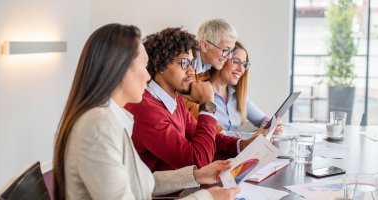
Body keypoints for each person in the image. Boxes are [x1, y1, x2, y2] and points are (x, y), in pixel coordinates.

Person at [53, 23, 239, 200]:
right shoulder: (98, 127)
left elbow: (141, 182)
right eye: (143, 65)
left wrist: (196, 176)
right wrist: (206, 197)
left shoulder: (110, 118)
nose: (148, 75)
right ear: (119, 69)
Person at [125, 27, 255, 173]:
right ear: (160, 65)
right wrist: (207, 106)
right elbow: (197, 161)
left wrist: (241, 144)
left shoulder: (174, 99)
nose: (192, 71)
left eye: (192, 64)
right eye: (184, 63)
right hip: (164, 194)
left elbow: (206, 136)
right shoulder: (147, 111)